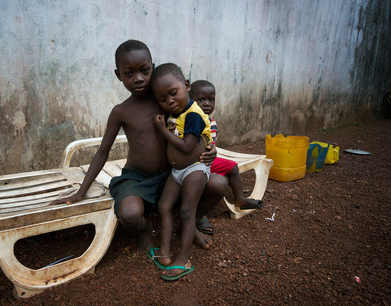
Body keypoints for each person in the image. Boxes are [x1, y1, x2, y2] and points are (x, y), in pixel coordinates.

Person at [50, 40, 227, 252]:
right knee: (130, 215)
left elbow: (198, 124)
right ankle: (145, 228)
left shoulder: (167, 99)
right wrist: (81, 191)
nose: (139, 79)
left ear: (153, 67)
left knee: (219, 185)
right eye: (129, 74)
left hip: (173, 174)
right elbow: (102, 152)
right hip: (137, 178)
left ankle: (189, 222)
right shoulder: (121, 112)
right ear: (118, 75)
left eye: (144, 71)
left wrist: (211, 149)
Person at [147, 63, 212, 281]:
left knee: (186, 211)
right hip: (177, 171)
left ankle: (182, 259)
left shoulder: (193, 114)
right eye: (162, 99)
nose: (170, 102)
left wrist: (162, 130)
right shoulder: (175, 113)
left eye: (173, 93)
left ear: (186, 86)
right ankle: (165, 253)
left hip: (194, 169)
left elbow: (186, 147)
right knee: (164, 206)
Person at [190, 80, 265, 235]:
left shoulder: (212, 123)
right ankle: (200, 214)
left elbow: (211, 143)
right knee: (201, 180)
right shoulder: (188, 120)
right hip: (192, 163)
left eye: (211, 100)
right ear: (190, 100)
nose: (207, 104)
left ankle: (240, 199)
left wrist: (212, 150)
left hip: (207, 160)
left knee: (232, 166)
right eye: (201, 99)